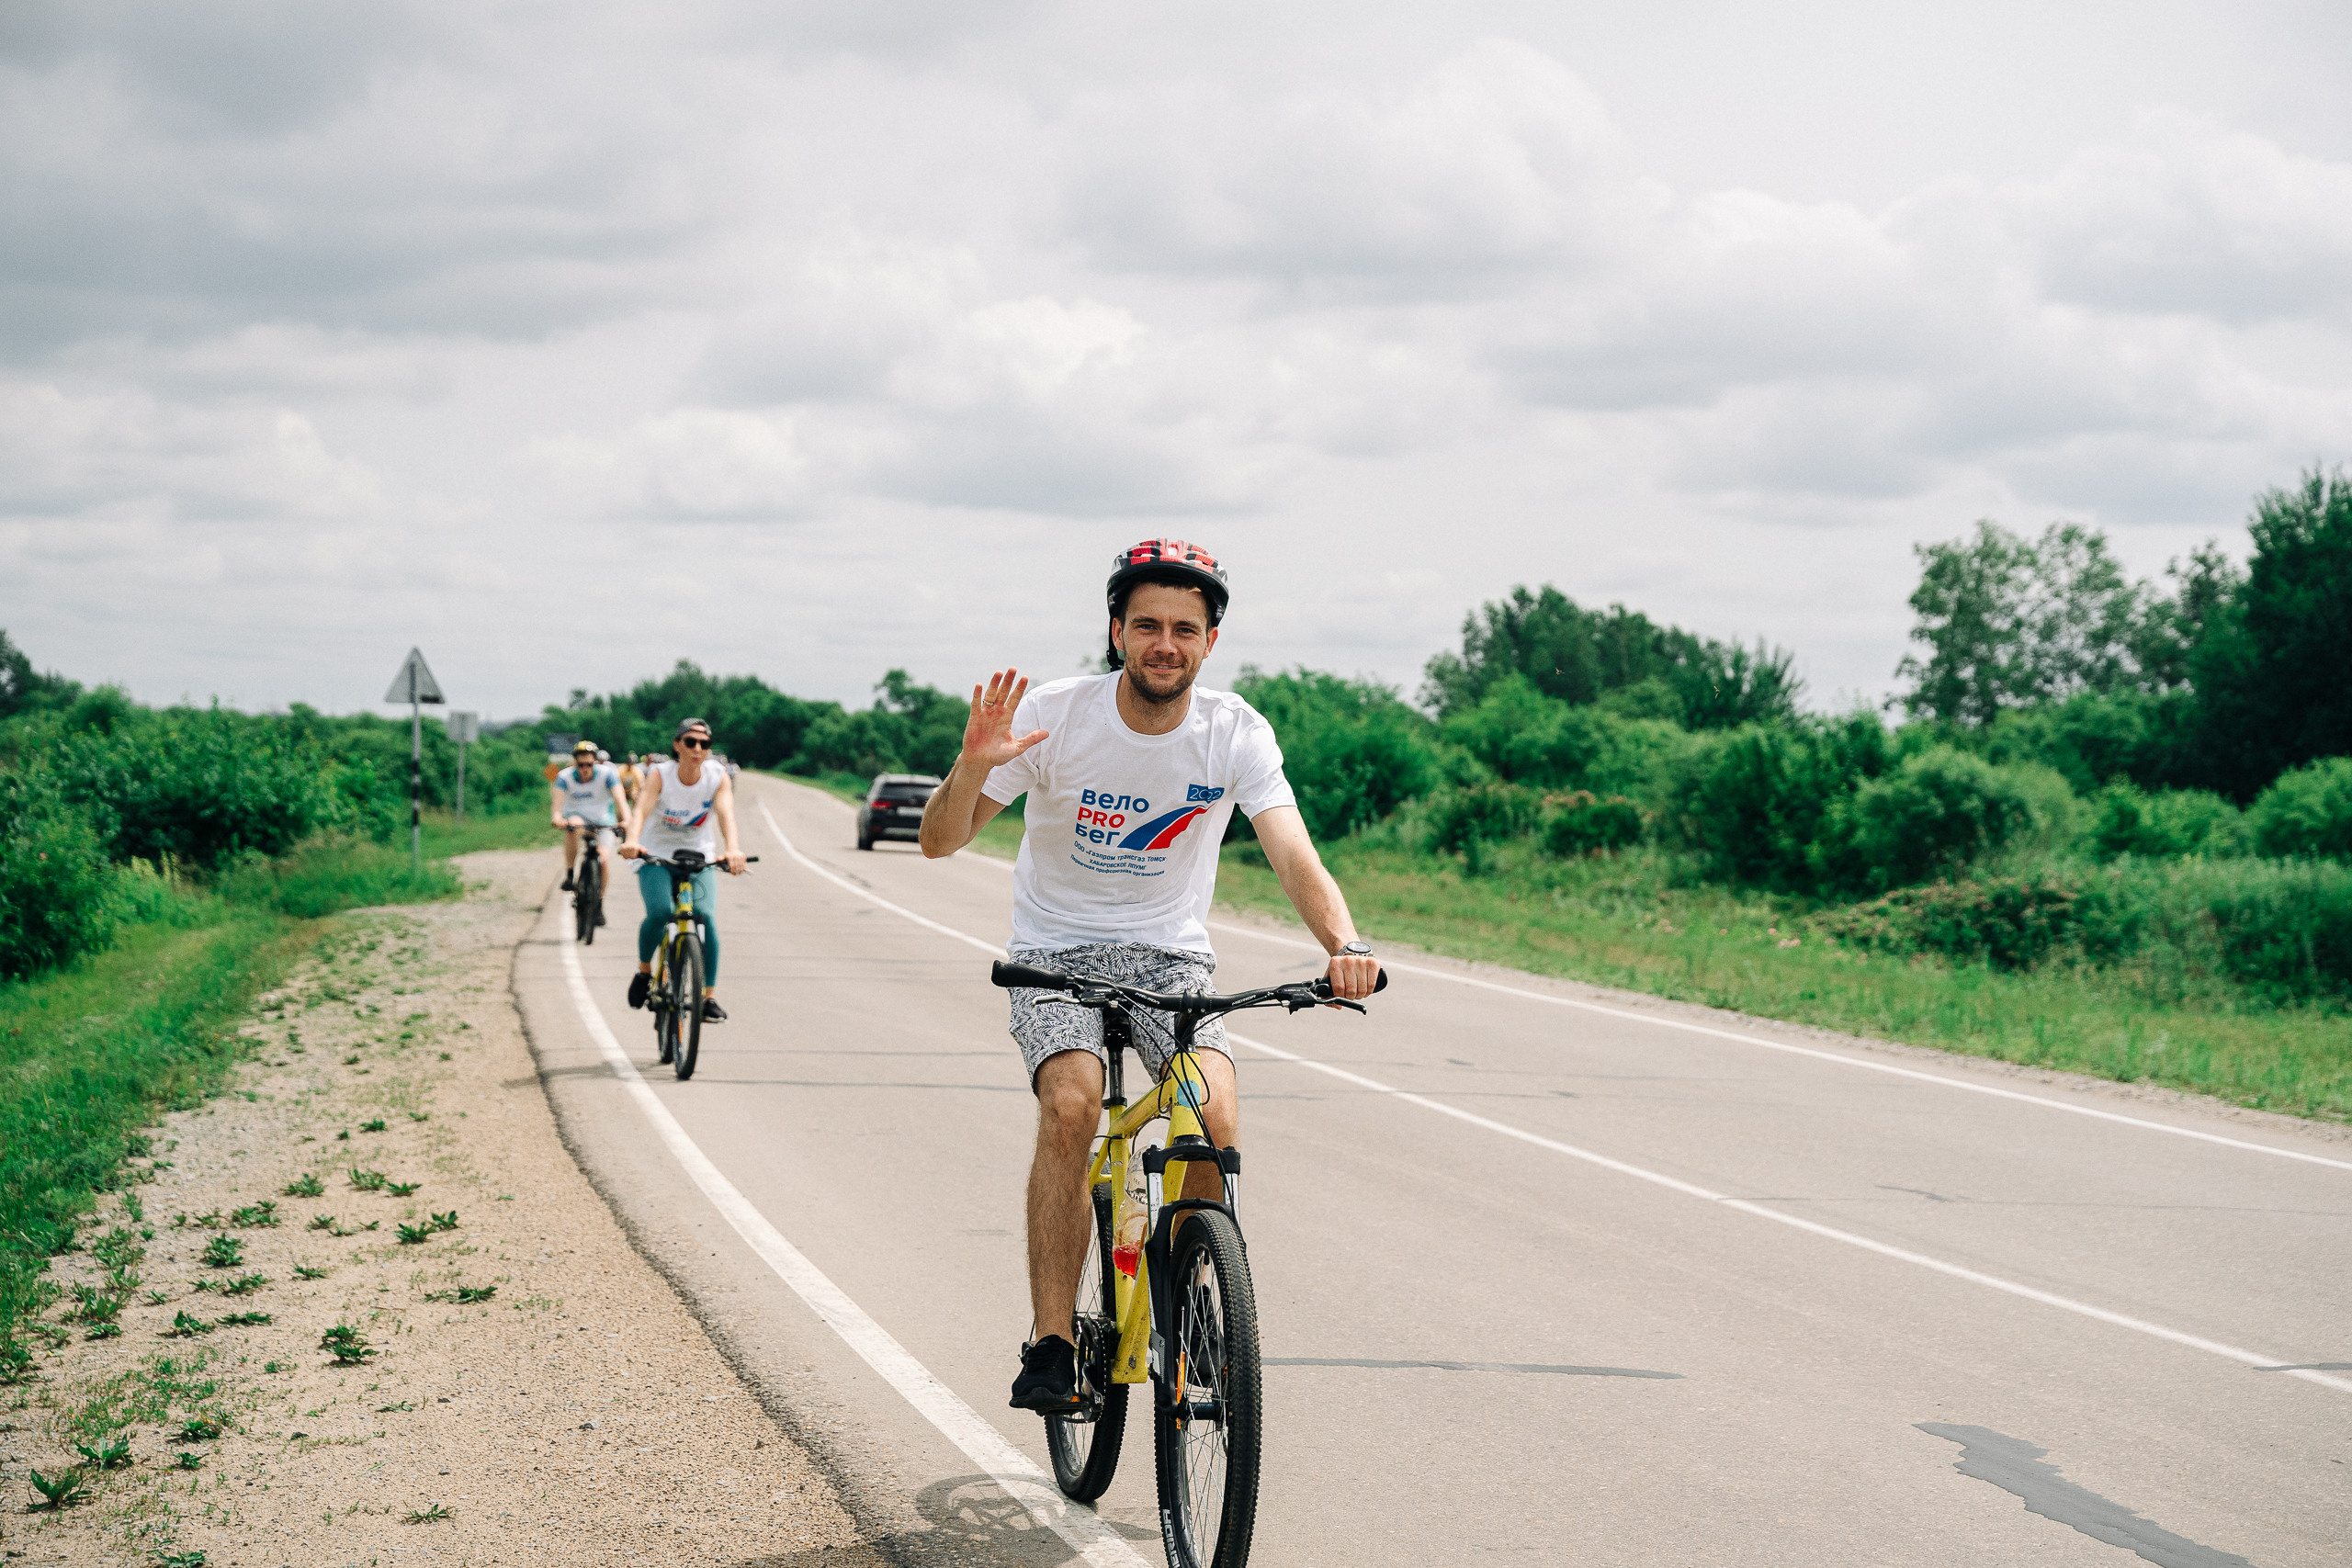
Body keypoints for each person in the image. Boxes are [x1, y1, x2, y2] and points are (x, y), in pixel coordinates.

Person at [918, 536, 1381, 1414]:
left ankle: (1194, 1299)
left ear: (1210, 640)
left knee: (1210, 1110)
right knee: (1074, 1104)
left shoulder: (1235, 730)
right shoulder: (1057, 716)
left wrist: (1342, 942)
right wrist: (974, 761)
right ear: (1117, 632)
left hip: (1171, 958)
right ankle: (1053, 1341)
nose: (1164, 643)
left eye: (1184, 627)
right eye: (1146, 625)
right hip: (1052, 954)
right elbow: (939, 839)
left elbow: (1293, 852)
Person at [619, 717, 749, 1021]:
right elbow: (641, 810)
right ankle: (643, 971)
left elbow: (726, 814)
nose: (697, 749)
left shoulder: (718, 776)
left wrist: (732, 849)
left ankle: (709, 998)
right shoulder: (660, 775)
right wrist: (632, 840)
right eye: (690, 742)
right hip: (656, 853)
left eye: (704, 744)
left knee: (706, 918)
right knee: (661, 912)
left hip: (698, 855)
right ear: (677, 745)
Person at [549, 740, 625, 902]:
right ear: (575, 763)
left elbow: (620, 799)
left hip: (603, 820)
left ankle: (599, 902)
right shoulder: (565, 776)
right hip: (578, 818)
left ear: (595, 762)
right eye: (581, 764)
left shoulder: (607, 774)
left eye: (589, 764)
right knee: (573, 825)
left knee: (603, 861)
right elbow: (557, 804)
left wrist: (626, 820)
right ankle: (570, 874)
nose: (585, 769)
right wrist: (557, 818)